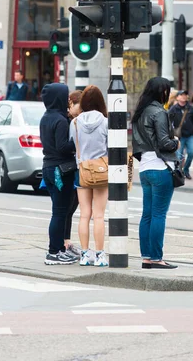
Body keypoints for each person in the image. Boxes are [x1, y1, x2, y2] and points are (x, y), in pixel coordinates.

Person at [132, 77, 179, 270]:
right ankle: (157, 257)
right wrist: (176, 141)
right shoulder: (159, 112)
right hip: (161, 167)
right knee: (159, 214)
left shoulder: (140, 112)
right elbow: (164, 143)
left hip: (144, 167)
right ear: (162, 92)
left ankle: (146, 258)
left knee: (147, 215)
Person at [69, 86, 109, 267]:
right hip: (101, 171)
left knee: (84, 214)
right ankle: (100, 255)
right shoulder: (106, 122)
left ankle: (85, 255)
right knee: (99, 215)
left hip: (82, 170)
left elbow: (73, 142)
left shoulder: (75, 123)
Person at [40, 83, 79, 265]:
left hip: (48, 167)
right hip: (60, 170)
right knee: (60, 212)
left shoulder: (46, 117)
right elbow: (63, 146)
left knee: (59, 211)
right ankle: (54, 252)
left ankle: (58, 249)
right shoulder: (61, 120)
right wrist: (78, 143)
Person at [64, 90, 83, 256]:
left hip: (76, 168)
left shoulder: (76, 120)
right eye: (79, 105)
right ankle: (64, 242)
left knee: (71, 207)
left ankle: (66, 241)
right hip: (68, 169)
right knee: (67, 208)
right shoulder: (67, 121)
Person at [168, 90, 193, 179]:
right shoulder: (173, 109)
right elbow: (169, 122)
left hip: (189, 135)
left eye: (185, 95)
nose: (183, 97)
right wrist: (171, 134)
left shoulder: (190, 108)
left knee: (192, 152)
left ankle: (186, 169)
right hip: (178, 137)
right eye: (181, 95)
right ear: (177, 97)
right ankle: (179, 172)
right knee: (179, 155)